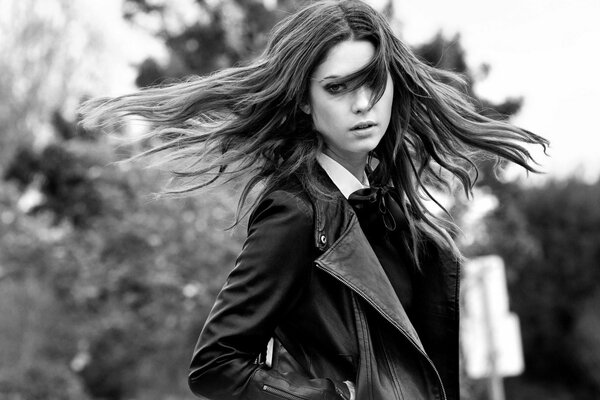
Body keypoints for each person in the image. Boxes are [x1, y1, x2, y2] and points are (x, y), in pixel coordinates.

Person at [80, 1, 548, 399]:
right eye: (337, 88)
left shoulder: (396, 215)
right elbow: (215, 363)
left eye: (372, 81)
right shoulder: (297, 212)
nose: (362, 104)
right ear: (305, 101)